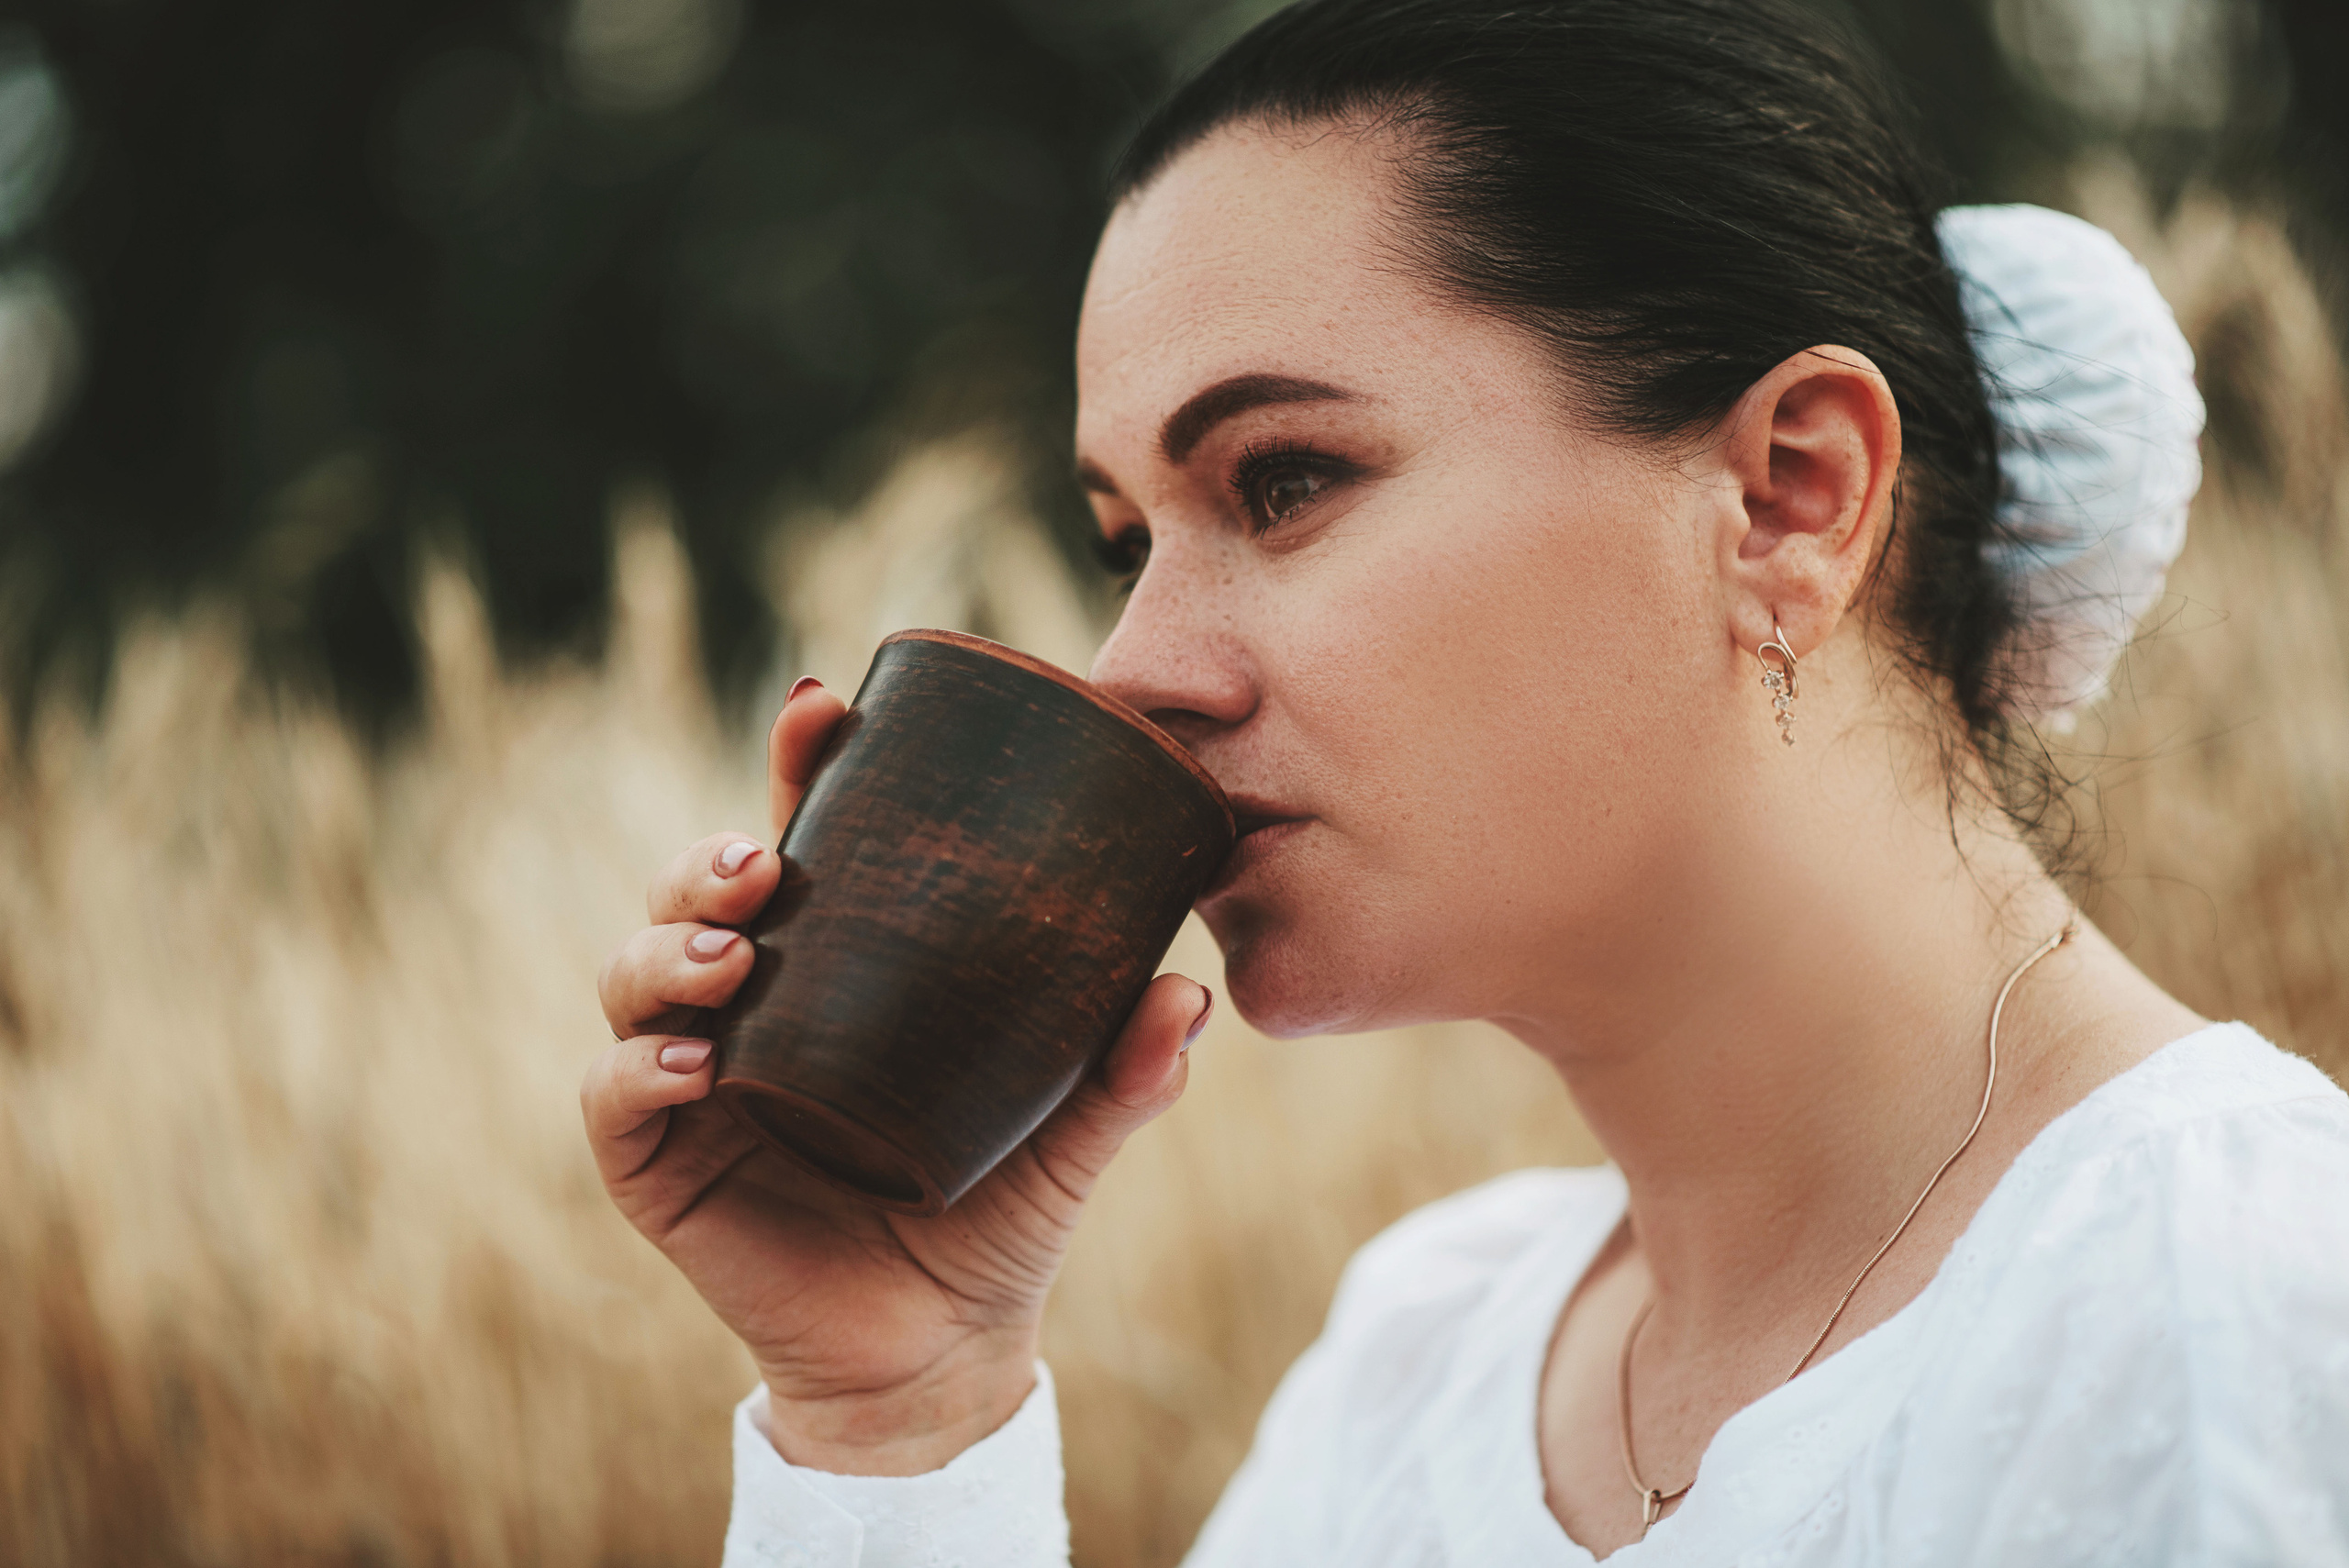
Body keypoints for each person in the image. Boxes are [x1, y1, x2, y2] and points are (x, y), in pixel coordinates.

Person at [583, 1, 2349, 1562]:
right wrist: (899, 1420)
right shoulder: (1426, 1363)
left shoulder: (2226, 1311)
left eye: (1281, 482)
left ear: (1792, 497)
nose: (1130, 668)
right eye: (1126, 538)